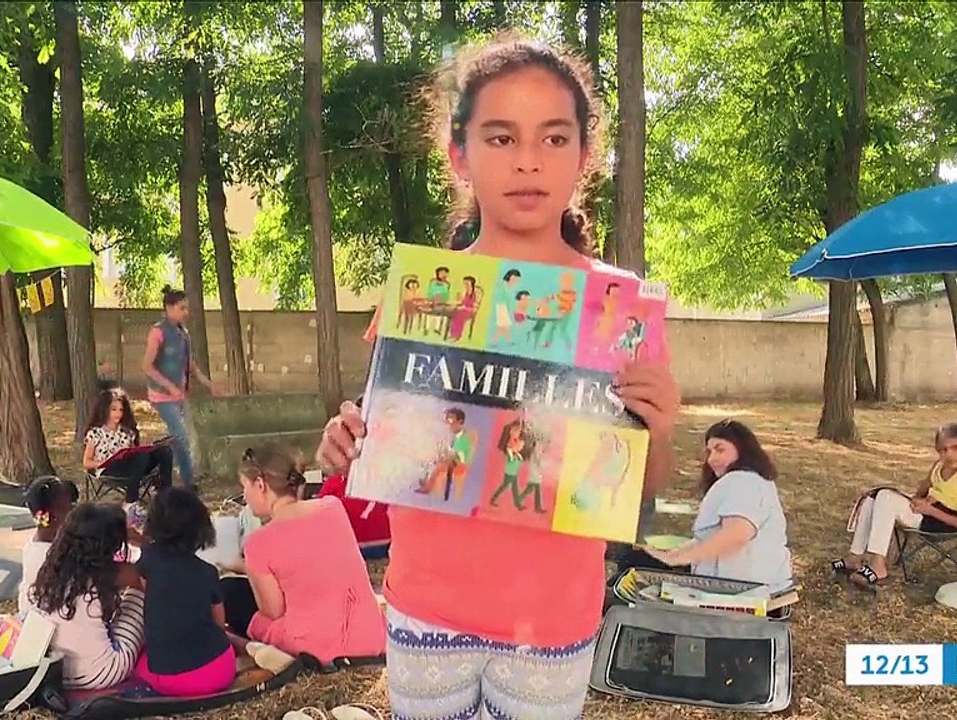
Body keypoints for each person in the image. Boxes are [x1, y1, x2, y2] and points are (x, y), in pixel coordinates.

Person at [316, 35, 681, 720]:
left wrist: (658, 431)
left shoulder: (619, 310)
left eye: (552, 138)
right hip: (424, 610)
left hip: (551, 626)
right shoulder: (423, 295)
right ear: (460, 155)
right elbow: (387, 445)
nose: (526, 161)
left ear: (583, 156)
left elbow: (639, 488)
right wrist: (345, 442)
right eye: (500, 137)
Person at [231, 446, 385, 666]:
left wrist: (245, 567)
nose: (245, 495)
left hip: (315, 645)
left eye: (244, 487)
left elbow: (273, 612)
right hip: (368, 634)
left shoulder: (258, 543)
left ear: (260, 484)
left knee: (232, 593)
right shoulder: (333, 507)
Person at [642, 420, 792, 590]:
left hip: (748, 595)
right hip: (746, 591)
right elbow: (710, 538)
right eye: (709, 452)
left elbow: (736, 535)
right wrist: (673, 555)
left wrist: (679, 559)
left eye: (720, 450)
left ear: (743, 449)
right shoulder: (748, 481)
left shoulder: (744, 480)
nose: (712, 459)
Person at [831, 423, 957, 588]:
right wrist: (921, 500)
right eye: (943, 450)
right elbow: (920, 493)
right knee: (873, 498)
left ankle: (878, 566)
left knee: (885, 498)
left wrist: (931, 509)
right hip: (926, 513)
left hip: (942, 523)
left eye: (955, 448)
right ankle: (855, 557)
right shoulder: (938, 467)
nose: (949, 454)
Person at [30, 503, 146, 690]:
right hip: (101, 672)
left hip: (58, 672)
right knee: (139, 592)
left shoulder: (55, 569)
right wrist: (144, 542)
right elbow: (146, 574)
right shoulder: (110, 572)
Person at [135, 488, 234, 697]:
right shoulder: (209, 572)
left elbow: (147, 592)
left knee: (138, 659)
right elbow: (219, 625)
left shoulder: (148, 559)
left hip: (172, 681)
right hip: (221, 670)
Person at [143, 285, 220, 490]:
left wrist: (207, 383)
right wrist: (168, 386)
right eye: (182, 308)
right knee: (182, 437)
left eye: (187, 308)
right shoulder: (157, 332)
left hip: (180, 395)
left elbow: (190, 363)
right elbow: (147, 366)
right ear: (169, 308)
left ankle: (160, 469)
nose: (186, 313)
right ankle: (188, 483)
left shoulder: (183, 334)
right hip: (161, 396)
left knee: (180, 437)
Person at [81, 383, 173, 530]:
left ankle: (165, 497)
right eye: (113, 409)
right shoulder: (95, 433)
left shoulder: (127, 432)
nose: (118, 413)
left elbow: (134, 454)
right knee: (140, 456)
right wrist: (104, 461)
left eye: (121, 410)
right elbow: (86, 462)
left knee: (164, 450)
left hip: (131, 468)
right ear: (104, 410)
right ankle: (130, 503)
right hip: (109, 469)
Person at [18, 476, 79, 614]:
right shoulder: (46, 555)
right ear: (50, 516)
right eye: (69, 507)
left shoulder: (45, 539)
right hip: (41, 623)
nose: (74, 510)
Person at [315, 471, 392, 560]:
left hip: (350, 547)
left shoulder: (335, 481)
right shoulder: (386, 479)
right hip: (387, 543)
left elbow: (319, 511)